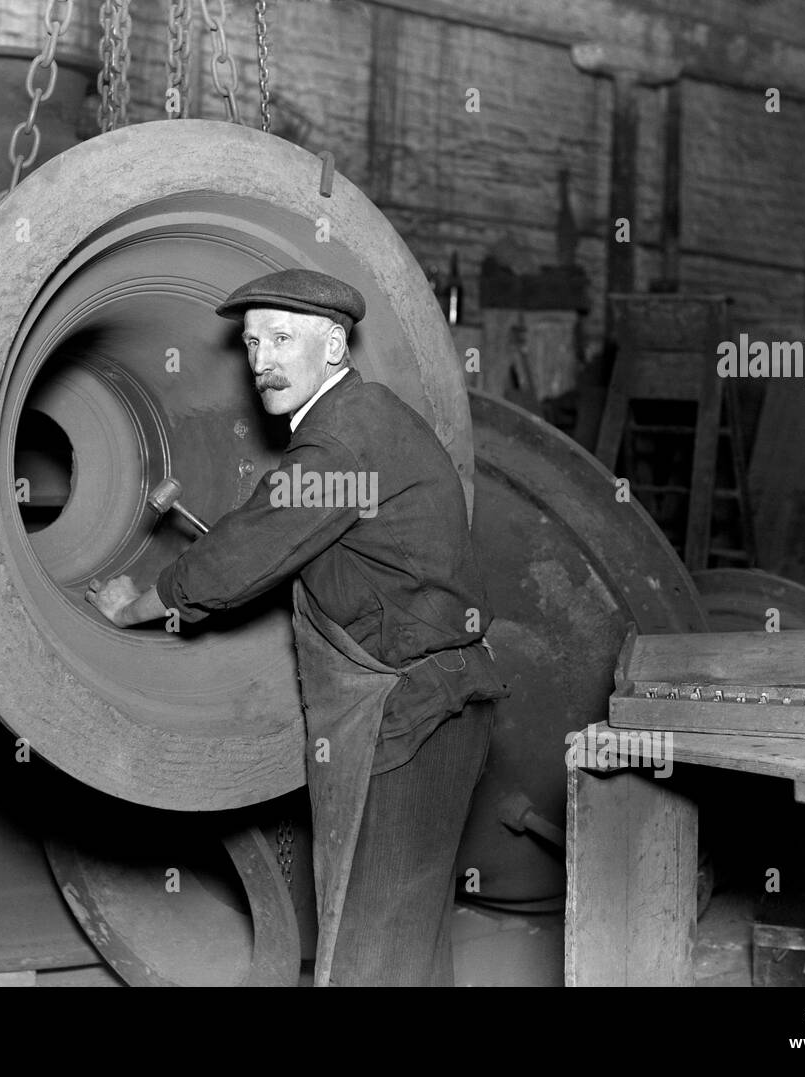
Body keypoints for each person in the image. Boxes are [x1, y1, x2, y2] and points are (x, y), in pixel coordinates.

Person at [86, 268, 507, 986]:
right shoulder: (362, 420)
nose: (262, 361)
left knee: (373, 958)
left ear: (336, 348)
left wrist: (139, 601)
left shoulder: (342, 439)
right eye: (252, 343)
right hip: (435, 703)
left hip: (409, 714)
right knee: (408, 948)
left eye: (283, 338)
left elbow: (244, 554)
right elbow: (286, 531)